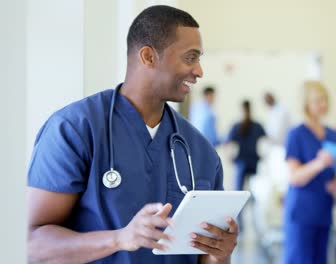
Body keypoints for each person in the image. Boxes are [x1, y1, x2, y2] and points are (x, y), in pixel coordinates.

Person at [27, 6, 238, 264]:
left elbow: (206, 258)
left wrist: (220, 252)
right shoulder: (76, 129)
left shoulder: (201, 151)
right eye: (190, 58)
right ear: (149, 56)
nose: (199, 71)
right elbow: (31, 242)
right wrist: (120, 238)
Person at [283, 81, 336, 264]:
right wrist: (319, 163)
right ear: (306, 104)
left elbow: (334, 173)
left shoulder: (332, 134)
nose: (323, 104)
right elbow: (295, 178)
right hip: (302, 211)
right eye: (318, 100)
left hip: (324, 209)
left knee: (320, 259)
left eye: (325, 100)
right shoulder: (296, 134)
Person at [226, 100, 266, 191]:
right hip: (252, 160)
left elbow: (227, 144)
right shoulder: (257, 126)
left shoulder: (237, 126)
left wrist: (230, 158)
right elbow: (267, 141)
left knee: (239, 190)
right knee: (253, 190)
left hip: (243, 161)